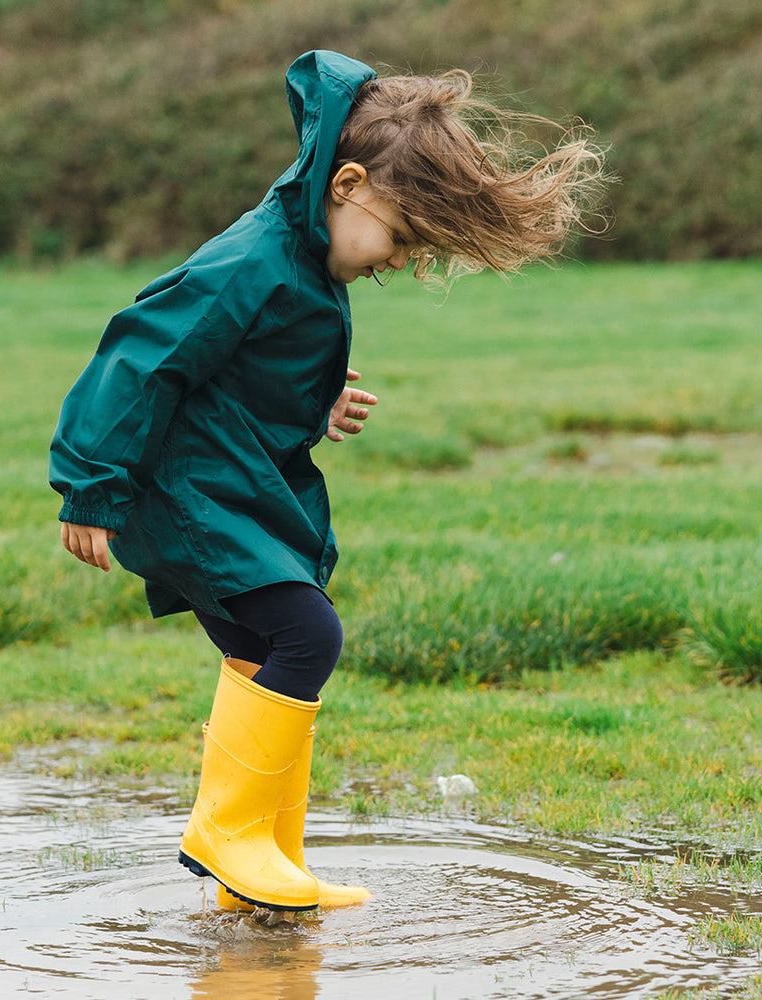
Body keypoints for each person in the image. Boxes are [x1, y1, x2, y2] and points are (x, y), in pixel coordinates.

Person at [50, 50, 605, 913]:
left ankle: (265, 859)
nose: (396, 260)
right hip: (193, 495)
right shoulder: (254, 259)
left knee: (260, 648)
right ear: (347, 184)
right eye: (399, 236)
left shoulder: (308, 259)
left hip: (230, 486)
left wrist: (316, 405)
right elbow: (142, 355)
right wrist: (90, 484)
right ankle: (227, 834)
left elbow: (242, 377)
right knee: (309, 636)